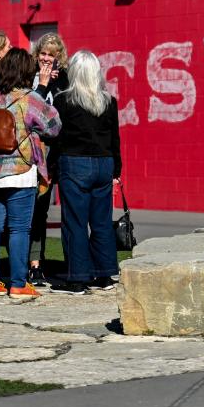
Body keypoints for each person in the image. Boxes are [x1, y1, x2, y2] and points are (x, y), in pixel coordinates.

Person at [0, 48, 61, 298]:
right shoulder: (30, 98)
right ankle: (18, 283)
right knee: (20, 229)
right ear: (26, 72)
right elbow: (54, 127)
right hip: (20, 171)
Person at [50, 49, 121, 294]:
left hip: (75, 163)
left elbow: (57, 138)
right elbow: (115, 137)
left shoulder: (63, 100)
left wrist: (52, 165)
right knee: (101, 222)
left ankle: (78, 278)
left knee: (75, 222)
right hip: (104, 163)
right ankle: (105, 274)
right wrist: (117, 168)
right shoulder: (109, 101)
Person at [27, 32, 70, 287]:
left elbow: (63, 115)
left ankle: (39, 264)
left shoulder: (63, 80)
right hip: (32, 151)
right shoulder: (28, 78)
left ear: (58, 58)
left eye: (51, 55)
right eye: (43, 53)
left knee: (43, 208)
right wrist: (42, 84)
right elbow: (32, 113)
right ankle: (31, 262)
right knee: (30, 210)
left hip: (53, 152)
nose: (46, 59)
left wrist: (54, 84)